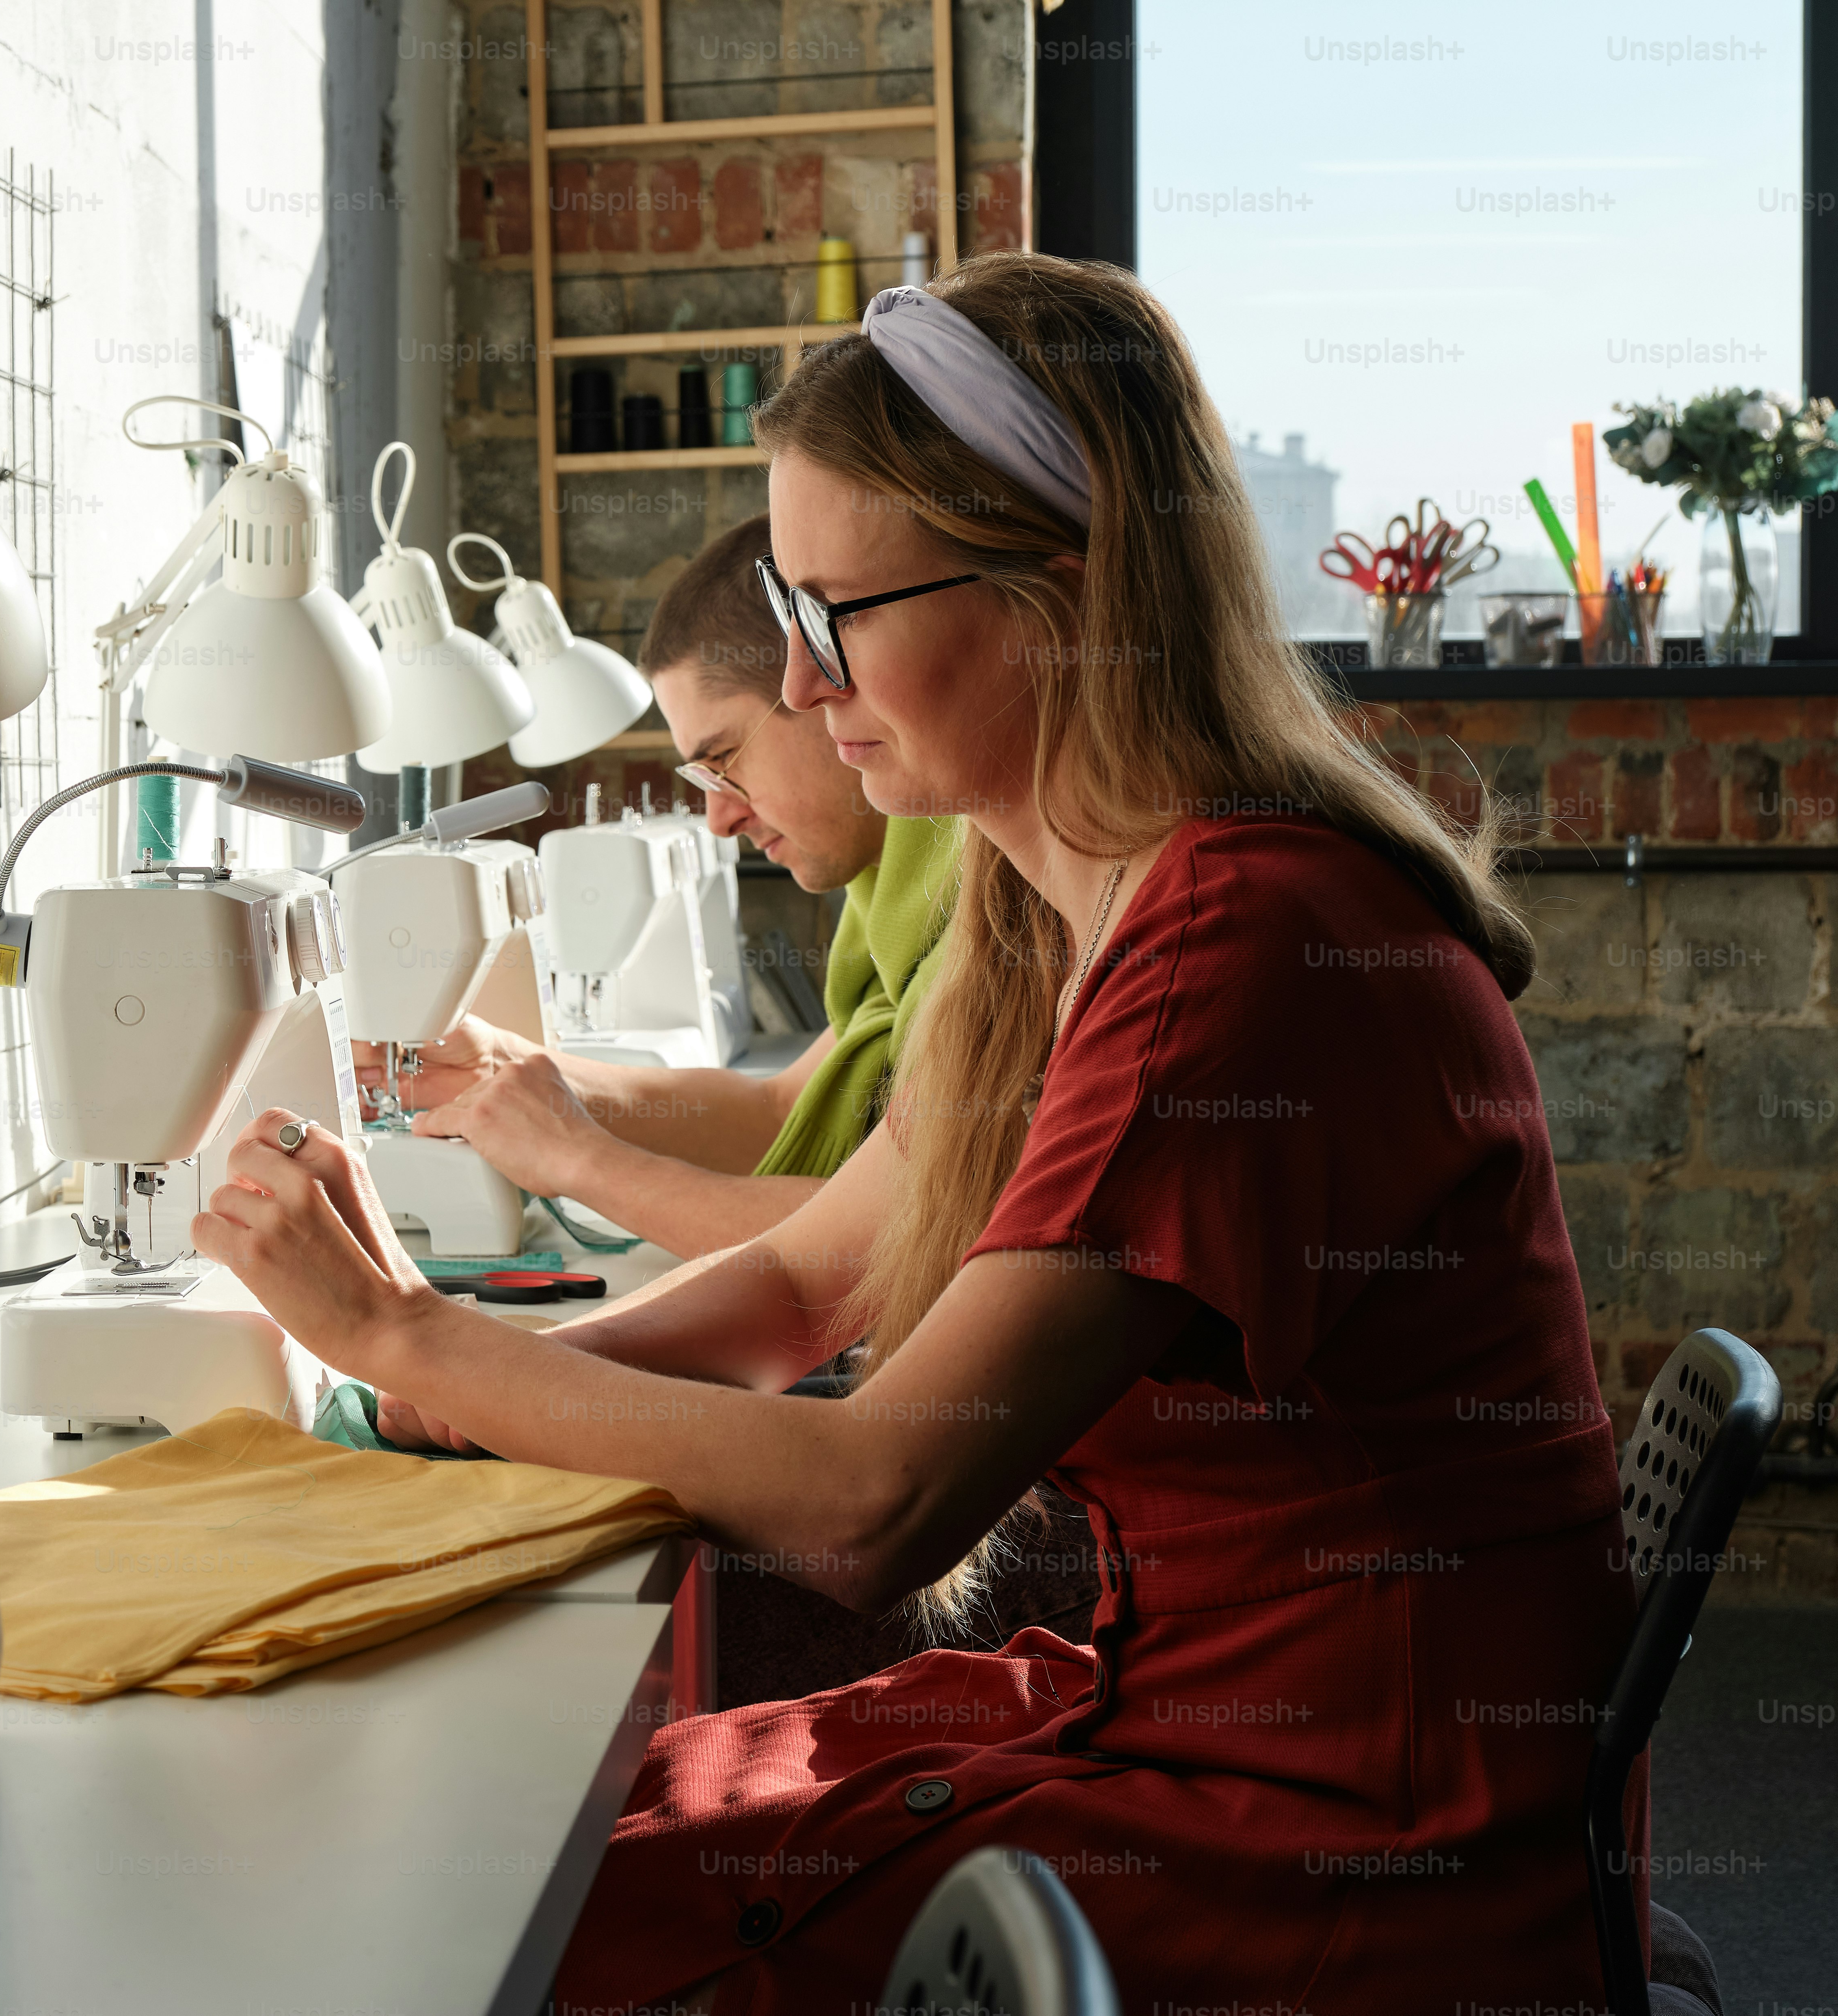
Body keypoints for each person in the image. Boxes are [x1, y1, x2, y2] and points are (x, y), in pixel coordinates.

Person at [193, 251, 1634, 2007]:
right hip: (1186, 1720)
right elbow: (804, 1280)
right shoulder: (1055, 911)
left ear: (1058, 587)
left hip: (1349, 1838)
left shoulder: (1243, 946)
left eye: (833, 616)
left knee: (499, 1917)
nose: (800, 689)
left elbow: (876, 1499)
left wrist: (403, 1330)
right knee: (548, 1839)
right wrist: (431, 1388)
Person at [363, 514, 962, 1258]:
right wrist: (506, 1070)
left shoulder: (984, 922)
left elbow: (898, 1241)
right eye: (701, 778)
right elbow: (778, 1110)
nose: (717, 818)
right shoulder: (896, 918)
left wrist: (580, 1162)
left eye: (722, 758)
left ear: (825, 690)